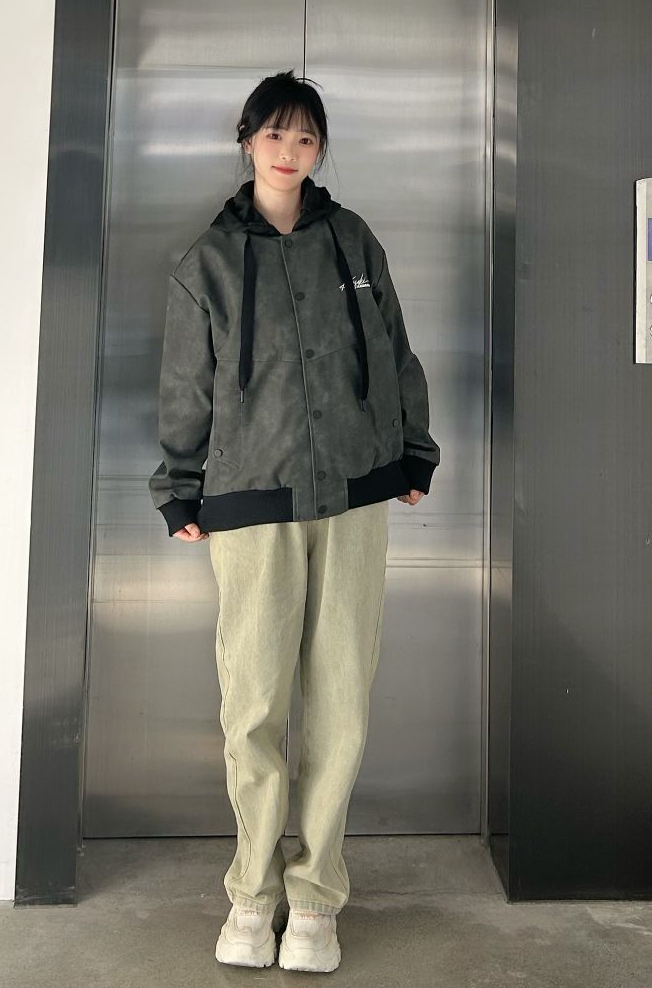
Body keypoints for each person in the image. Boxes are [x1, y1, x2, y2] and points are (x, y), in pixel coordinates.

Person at [148, 70, 440, 973]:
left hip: (353, 496)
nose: (288, 151)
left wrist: (413, 450)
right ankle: (252, 895)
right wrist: (180, 486)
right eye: (274, 134)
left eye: (305, 137)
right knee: (255, 706)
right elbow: (186, 383)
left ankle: (315, 900)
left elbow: (395, 349)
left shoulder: (354, 242)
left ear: (319, 150)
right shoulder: (206, 262)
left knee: (342, 703)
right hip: (250, 503)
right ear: (247, 141)